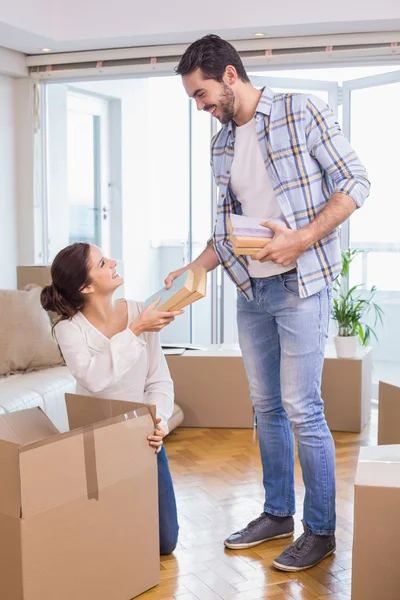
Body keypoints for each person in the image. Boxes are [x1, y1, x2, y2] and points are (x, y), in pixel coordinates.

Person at [165, 34, 370, 571]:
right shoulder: (222, 145)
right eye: (194, 99)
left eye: (202, 94)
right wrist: (194, 268)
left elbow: (357, 180)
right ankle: (277, 513)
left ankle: (319, 530)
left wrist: (301, 237)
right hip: (251, 289)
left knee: (303, 409)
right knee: (267, 407)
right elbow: (226, 231)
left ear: (230, 75)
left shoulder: (301, 111)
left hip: (302, 285)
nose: (201, 107)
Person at [41, 242, 181, 555]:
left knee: (165, 542)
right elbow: (94, 378)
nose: (114, 262)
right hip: (97, 441)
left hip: (143, 437)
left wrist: (160, 423)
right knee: (103, 536)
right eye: (103, 263)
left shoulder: (138, 311)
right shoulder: (68, 329)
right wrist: (134, 331)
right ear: (85, 286)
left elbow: (158, 379)